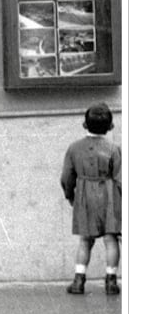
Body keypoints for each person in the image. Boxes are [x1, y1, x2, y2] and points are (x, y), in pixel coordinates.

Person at [61, 102, 121, 295]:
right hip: (110, 196)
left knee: (85, 240)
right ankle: (111, 281)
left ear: (84, 125)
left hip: (85, 196)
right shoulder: (114, 149)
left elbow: (66, 178)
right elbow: (121, 179)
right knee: (111, 240)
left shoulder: (74, 148)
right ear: (110, 127)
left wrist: (70, 195)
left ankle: (79, 280)